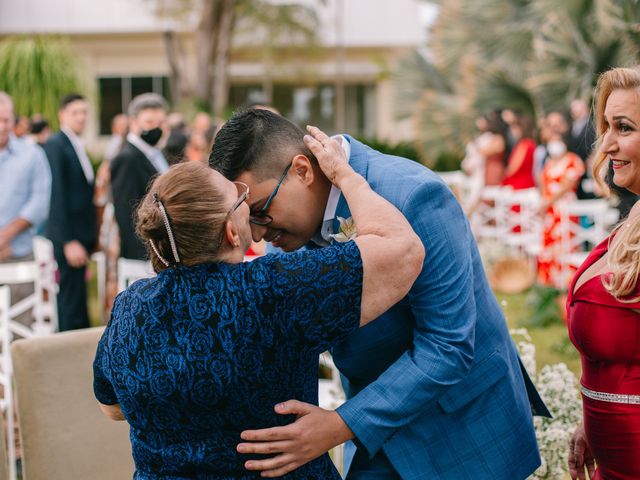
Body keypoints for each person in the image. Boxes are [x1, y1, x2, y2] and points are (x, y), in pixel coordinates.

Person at [209, 109, 548, 479]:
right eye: (247, 219)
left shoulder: (415, 194)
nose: (257, 235)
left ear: (303, 170)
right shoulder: (286, 229)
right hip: (372, 423)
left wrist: (337, 426)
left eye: (260, 212)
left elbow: (449, 345)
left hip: (460, 427)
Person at [93, 128, 425, 479]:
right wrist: (345, 175)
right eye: (240, 201)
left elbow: (111, 407)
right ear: (232, 232)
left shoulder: (130, 307)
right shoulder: (270, 289)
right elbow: (404, 251)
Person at [567, 65, 640, 480]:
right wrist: (594, 420)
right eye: (607, 126)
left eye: (624, 128)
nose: (607, 144)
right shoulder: (633, 222)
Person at [44, 93, 96, 331]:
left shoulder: (76, 145)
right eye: (76, 112)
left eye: (84, 112)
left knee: (78, 300)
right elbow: (56, 196)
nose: (81, 117)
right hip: (69, 238)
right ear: (62, 115)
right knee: (69, 302)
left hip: (82, 236)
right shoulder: (56, 145)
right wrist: (67, 241)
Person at [0, 92, 51, 321]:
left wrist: (5, 236)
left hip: (18, 254)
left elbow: (40, 202)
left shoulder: (32, 155)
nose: (2, 126)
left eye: (6, 120)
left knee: (19, 329)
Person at [111, 93, 169, 260]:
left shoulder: (158, 153)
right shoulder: (126, 158)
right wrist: (146, 255)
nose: (156, 128)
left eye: (160, 123)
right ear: (133, 122)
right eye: (149, 123)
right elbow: (126, 213)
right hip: (143, 256)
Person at [537, 134, 585, 287]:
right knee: (549, 244)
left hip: (565, 209)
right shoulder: (549, 163)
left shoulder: (573, 160)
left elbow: (568, 185)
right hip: (549, 211)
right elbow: (543, 184)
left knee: (566, 242)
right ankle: (551, 284)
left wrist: (548, 202)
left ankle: (568, 282)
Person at [569, 99, 598, 200]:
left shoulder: (591, 125)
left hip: (587, 167)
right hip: (577, 169)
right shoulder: (573, 126)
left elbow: (592, 146)